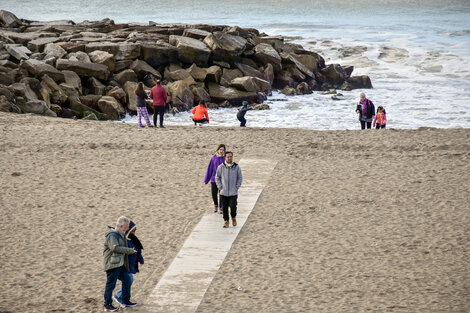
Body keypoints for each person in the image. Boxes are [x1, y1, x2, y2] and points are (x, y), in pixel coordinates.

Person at [103, 216, 138, 311]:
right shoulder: (112, 236)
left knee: (127, 279)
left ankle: (125, 300)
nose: (127, 229)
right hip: (112, 264)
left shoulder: (121, 234)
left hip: (120, 264)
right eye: (127, 227)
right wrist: (130, 251)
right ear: (121, 226)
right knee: (111, 284)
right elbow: (115, 248)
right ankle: (107, 304)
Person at [113, 220, 144, 308]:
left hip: (131, 264)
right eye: (132, 231)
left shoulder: (134, 240)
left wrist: (141, 260)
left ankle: (119, 296)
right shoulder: (124, 241)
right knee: (129, 279)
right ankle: (121, 298)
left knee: (130, 280)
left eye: (135, 230)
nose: (134, 232)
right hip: (125, 264)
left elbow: (138, 251)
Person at [215, 151, 243, 228]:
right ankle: (226, 221)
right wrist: (220, 187)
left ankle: (233, 217)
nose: (229, 158)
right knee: (224, 207)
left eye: (231, 157)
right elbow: (217, 177)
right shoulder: (221, 167)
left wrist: (237, 186)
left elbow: (240, 177)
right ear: (225, 158)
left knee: (233, 206)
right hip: (223, 192)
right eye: (228, 157)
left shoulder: (236, 167)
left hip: (233, 192)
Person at [204, 144, 226, 213]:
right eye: (220, 149)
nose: (221, 151)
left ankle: (221, 207)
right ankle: (216, 205)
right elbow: (210, 169)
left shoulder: (225, 158)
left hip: (222, 179)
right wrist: (206, 179)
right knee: (214, 193)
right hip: (214, 179)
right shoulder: (214, 158)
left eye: (223, 150)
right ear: (218, 150)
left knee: (221, 194)